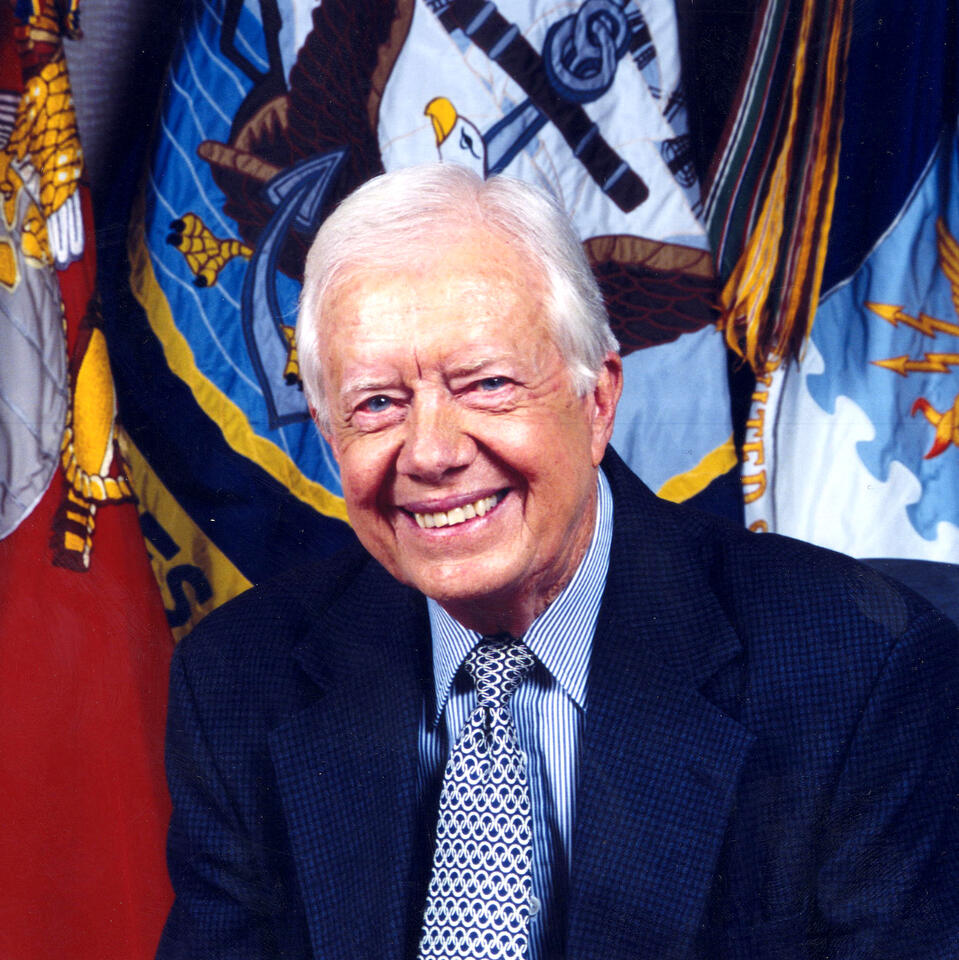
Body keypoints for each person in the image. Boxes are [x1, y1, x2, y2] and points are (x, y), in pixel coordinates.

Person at [157, 164, 959, 960]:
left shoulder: (856, 672)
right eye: (377, 404)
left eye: (485, 384)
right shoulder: (237, 682)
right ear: (330, 436)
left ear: (596, 400)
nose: (430, 452)